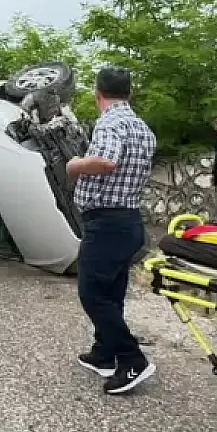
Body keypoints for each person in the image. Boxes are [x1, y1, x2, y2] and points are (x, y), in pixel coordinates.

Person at [66, 66, 157, 395]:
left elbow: (106, 162)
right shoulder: (143, 128)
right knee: (111, 292)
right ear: (129, 93)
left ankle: (132, 360)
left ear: (97, 93)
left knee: (91, 293)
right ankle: (104, 352)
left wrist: (75, 165)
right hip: (128, 221)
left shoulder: (109, 122)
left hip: (105, 224)